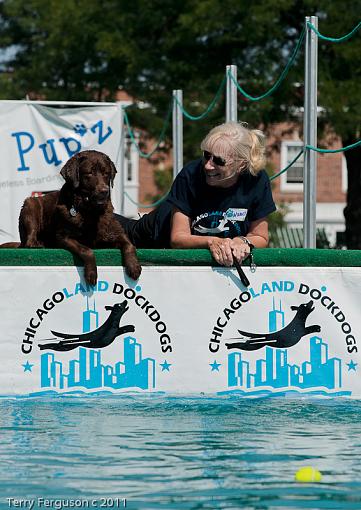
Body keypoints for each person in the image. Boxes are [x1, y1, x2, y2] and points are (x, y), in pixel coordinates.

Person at [115, 121, 276, 267]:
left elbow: (260, 237)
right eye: (206, 155)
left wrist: (242, 242)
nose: (208, 166)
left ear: (241, 165)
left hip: (208, 242)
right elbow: (178, 238)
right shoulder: (190, 174)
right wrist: (214, 241)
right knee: (111, 231)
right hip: (154, 233)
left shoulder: (257, 180)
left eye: (218, 161)